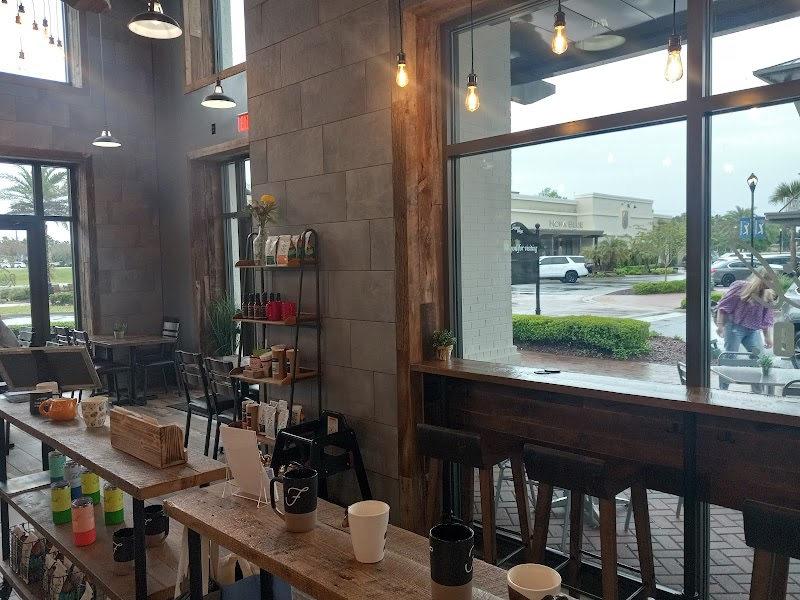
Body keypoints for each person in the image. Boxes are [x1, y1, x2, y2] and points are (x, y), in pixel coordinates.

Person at [715, 268, 775, 353]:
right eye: (771, 280)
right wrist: (720, 326)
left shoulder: (768, 295)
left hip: (753, 330)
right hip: (735, 327)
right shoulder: (741, 287)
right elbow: (723, 306)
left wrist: (767, 337)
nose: (774, 283)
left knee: (760, 357)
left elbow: (765, 319)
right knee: (731, 355)